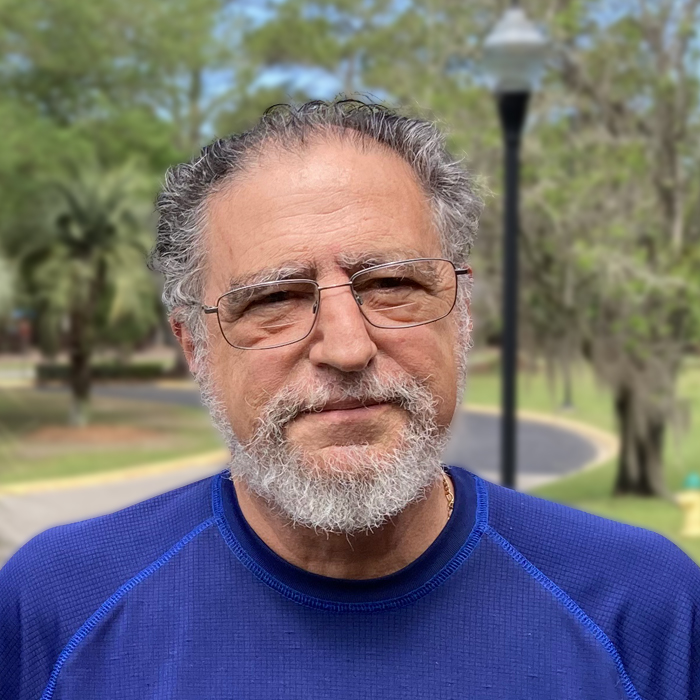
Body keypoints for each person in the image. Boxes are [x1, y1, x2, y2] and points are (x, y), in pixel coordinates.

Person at [1, 100, 698, 700]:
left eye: (391, 284)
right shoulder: (57, 608)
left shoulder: (642, 607)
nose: (346, 347)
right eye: (273, 299)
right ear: (194, 346)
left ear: (460, 311)